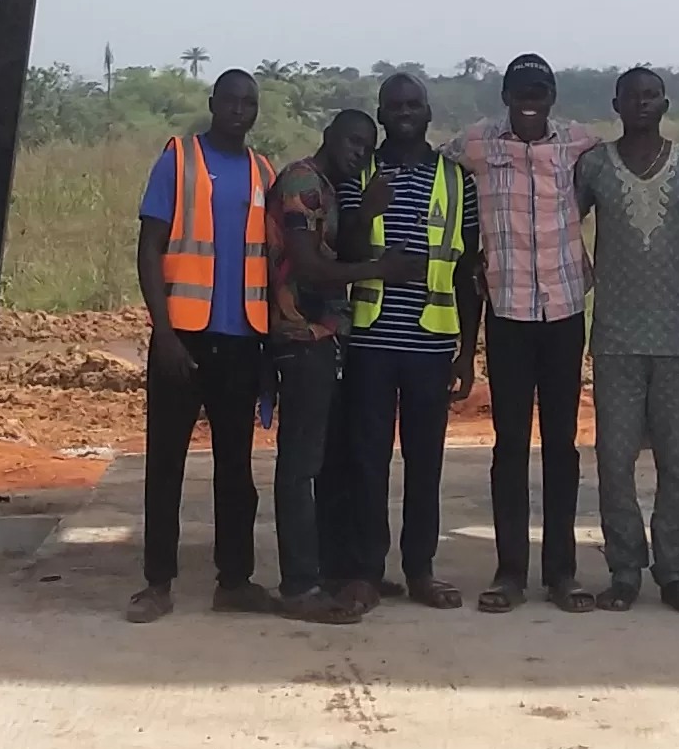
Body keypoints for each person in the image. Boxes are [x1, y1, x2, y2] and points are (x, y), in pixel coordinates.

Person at [572, 66, 679, 613]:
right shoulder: (593, 166)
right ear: (616, 103)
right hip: (614, 336)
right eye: (632, 95)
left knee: (678, 462)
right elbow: (562, 227)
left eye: (651, 95)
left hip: (678, 335)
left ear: (665, 103)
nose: (642, 103)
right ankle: (624, 571)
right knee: (614, 460)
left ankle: (675, 570)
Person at [128, 69, 277, 622]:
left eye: (249, 102)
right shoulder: (179, 159)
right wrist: (163, 332)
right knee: (165, 465)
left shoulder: (264, 173)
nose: (240, 110)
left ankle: (234, 581)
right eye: (231, 100)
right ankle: (157, 584)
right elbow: (149, 248)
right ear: (213, 104)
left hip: (242, 342)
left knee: (235, 469)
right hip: (182, 339)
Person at [449, 52, 590, 613]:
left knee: (562, 448)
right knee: (509, 448)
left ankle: (562, 574)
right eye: (520, 91)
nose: (530, 100)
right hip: (505, 314)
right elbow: (427, 163)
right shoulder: (476, 144)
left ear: (552, 95)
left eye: (540, 90)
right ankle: (509, 573)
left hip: (563, 313)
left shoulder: (580, 142)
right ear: (506, 96)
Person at [337, 69, 480, 608]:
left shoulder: (456, 179)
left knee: (426, 463)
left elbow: (467, 270)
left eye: (412, 103)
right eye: (393, 104)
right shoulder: (361, 175)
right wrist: (368, 209)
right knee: (367, 460)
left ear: (427, 112)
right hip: (371, 342)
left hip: (431, 344)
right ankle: (365, 573)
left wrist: (467, 351)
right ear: (381, 114)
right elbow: (345, 251)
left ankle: (420, 570)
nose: (403, 111)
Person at [268, 107, 397, 624]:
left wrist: (365, 215)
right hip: (300, 337)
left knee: (331, 460)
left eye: (367, 147)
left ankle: (334, 570)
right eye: (352, 142)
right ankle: (299, 586)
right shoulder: (301, 181)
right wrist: (381, 269)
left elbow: (339, 247)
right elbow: (310, 264)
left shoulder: (336, 189)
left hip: (329, 337)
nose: (359, 153)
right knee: (300, 466)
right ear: (328, 136)